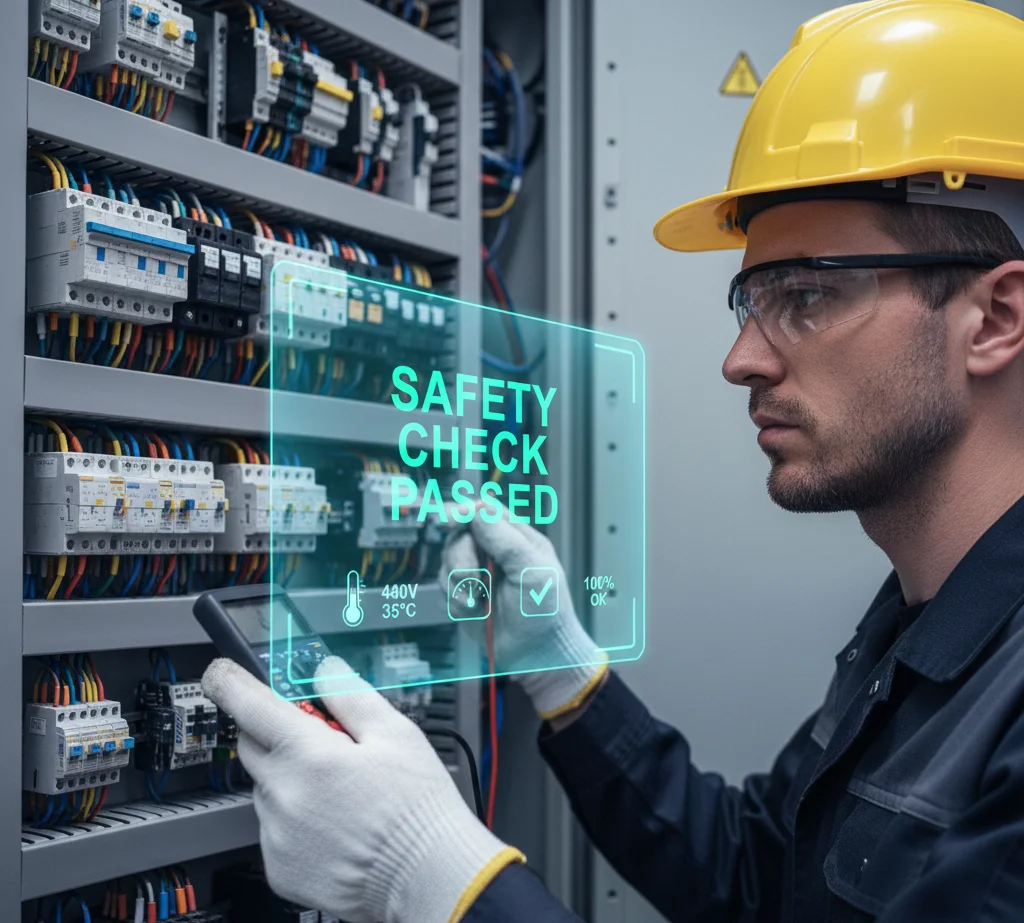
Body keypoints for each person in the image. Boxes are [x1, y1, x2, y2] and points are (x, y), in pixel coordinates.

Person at [202, 1, 1024, 920]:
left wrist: (430, 873)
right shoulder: (913, 630)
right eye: (749, 300)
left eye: (807, 296)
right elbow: (759, 880)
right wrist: (568, 677)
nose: (740, 358)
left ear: (994, 318)